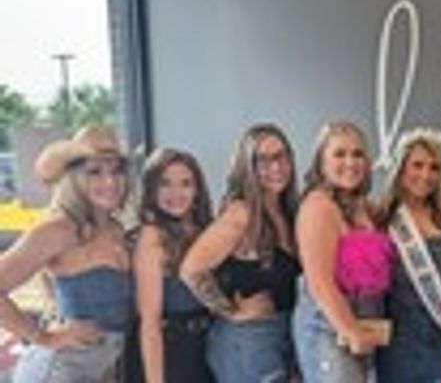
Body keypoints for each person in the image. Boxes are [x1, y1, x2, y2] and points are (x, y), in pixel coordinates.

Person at [1, 125, 133, 382]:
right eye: (94, 172)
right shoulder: (58, 230)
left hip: (98, 371)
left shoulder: (116, 229)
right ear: (74, 178)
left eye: (116, 170)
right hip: (57, 371)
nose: (110, 182)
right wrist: (44, 337)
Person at [180, 123, 301, 383]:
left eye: (281, 156)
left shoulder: (287, 211)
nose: (276, 167)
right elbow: (191, 268)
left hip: (281, 335)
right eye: (263, 161)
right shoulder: (242, 213)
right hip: (247, 340)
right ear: (248, 167)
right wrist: (231, 311)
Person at [292, 121, 394, 383]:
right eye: (339, 154)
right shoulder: (318, 206)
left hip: (364, 325)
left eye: (357, 154)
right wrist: (350, 331)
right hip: (329, 329)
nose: (350, 162)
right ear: (321, 162)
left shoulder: (365, 208)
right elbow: (319, 283)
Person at [375, 129, 441, 383]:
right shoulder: (379, 219)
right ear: (401, 168)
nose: (426, 175)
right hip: (397, 350)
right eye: (417, 165)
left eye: (434, 168)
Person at [132, 148, 214, 382]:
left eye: (186, 183)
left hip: (206, 347)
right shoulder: (152, 236)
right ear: (151, 190)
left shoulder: (204, 231)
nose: (176, 193)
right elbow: (150, 322)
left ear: (197, 190)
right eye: (165, 183)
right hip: (170, 352)